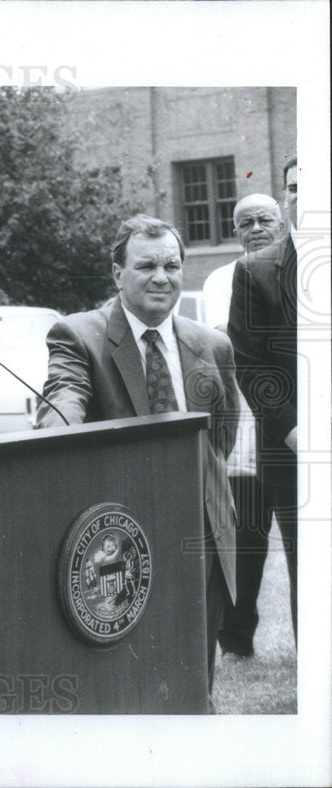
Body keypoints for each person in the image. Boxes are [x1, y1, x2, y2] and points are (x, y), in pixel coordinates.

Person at [37, 214, 240, 698]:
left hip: (203, 535)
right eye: (146, 265)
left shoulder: (213, 344)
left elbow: (222, 438)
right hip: (121, 541)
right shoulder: (77, 335)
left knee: (196, 683)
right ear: (116, 274)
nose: (161, 277)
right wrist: (59, 422)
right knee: (129, 684)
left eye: (172, 265)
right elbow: (65, 393)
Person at [202, 193, 288, 657]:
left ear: (282, 222)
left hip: (290, 428)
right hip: (244, 435)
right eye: (244, 222)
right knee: (246, 540)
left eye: (264, 219)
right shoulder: (222, 279)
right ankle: (236, 639)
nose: (254, 228)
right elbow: (228, 343)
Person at [228, 157, 299, 646]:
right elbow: (251, 365)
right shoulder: (251, 274)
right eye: (296, 188)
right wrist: (297, 431)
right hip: (281, 442)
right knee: (270, 549)